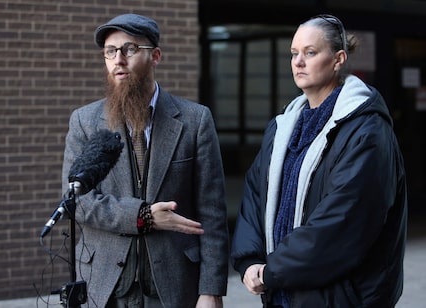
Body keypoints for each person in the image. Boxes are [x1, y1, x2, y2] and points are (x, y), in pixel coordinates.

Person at [230, 14, 407, 308]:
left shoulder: (366, 130)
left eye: (310, 53)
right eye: (294, 53)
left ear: (338, 59)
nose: (298, 62)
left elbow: (342, 221)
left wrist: (273, 270)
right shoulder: (283, 127)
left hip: (340, 298)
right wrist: (249, 261)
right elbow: (254, 196)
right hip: (282, 294)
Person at [61, 13, 229, 308]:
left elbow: (212, 212)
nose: (118, 60)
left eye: (129, 49)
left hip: (174, 284)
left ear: (156, 56)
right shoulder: (85, 121)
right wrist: (143, 216)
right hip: (104, 286)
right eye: (110, 52)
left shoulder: (195, 120)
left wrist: (211, 289)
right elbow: (78, 201)